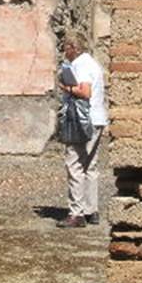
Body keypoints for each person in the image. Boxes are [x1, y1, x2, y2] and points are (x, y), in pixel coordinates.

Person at [57, 29, 108, 228]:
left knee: (75, 164)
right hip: (97, 118)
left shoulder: (81, 65)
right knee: (90, 166)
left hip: (82, 121)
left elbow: (84, 92)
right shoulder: (93, 63)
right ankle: (91, 210)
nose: (64, 51)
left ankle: (76, 213)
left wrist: (66, 88)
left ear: (73, 48)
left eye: (66, 47)